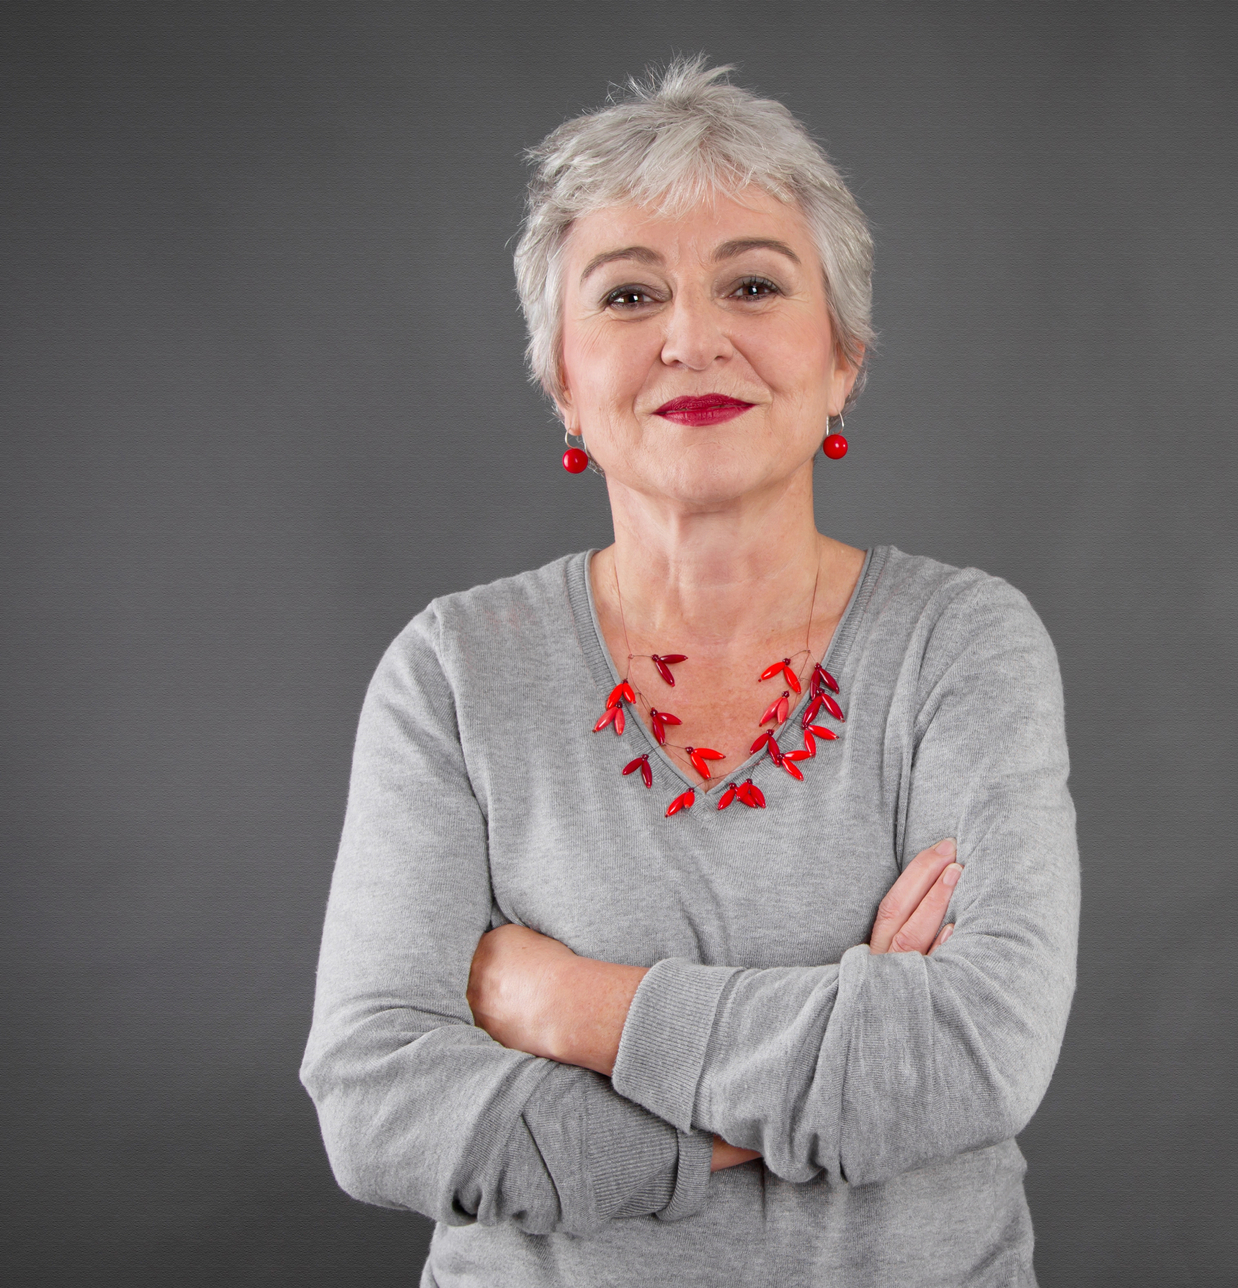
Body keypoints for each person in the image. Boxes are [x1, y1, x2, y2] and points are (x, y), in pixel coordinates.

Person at [300, 60, 1079, 1287]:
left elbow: (972, 1057)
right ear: (561, 374)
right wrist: (806, 1083)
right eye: (628, 295)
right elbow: (377, 1103)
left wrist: (571, 1008)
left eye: (753, 284)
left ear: (842, 360)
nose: (691, 337)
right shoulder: (451, 672)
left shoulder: (964, 644)